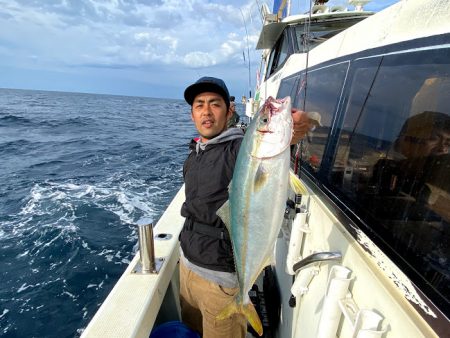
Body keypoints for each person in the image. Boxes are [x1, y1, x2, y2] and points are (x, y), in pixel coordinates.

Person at [179, 76, 311, 338]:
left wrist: (293, 129)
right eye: (199, 105)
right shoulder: (196, 152)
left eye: (214, 104)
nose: (206, 111)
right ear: (192, 113)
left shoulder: (239, 147)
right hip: (186, 268)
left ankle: (242, 302)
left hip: (220, 283)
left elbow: (268, 147)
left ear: (229, 110)